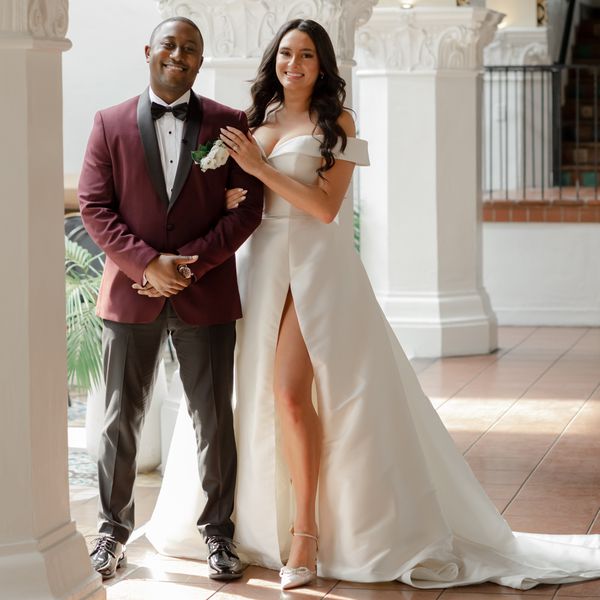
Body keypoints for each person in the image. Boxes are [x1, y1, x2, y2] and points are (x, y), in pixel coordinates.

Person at [146, 18, 600, 591]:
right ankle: (254, 525)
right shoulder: (252, 119)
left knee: (288, 394)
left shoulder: (338, 120)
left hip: (313, 268)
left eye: (307, 55)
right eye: (286, 53)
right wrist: (236, 190)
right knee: (249, 396)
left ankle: (307, 532)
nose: (294, 64)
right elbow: (232, 195)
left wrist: (260, 171)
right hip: (259, 267)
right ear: (274, 60)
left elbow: (325, 207)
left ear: (322, 64)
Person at [78, 16, 263, 581]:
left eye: (190, 49)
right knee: (119, 421)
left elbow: (249, 208)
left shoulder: (229, 125)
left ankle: (218, 535)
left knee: (212, 419)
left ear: (201, 61)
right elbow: (94, 206)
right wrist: (146, 264)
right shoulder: (108, 124)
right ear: (148, 51)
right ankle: (111, 533)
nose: (178, 55)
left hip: (204, 295)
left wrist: (189, 266)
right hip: (131, 296)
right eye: (169, 45)